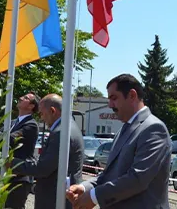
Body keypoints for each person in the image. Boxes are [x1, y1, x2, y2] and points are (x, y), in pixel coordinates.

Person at [66, 74, 171, 209]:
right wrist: (84, 187)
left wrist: (94, 196)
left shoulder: (153, 128)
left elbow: (138, 178)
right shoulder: (124, 129)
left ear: (132, 95)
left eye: (114, 98)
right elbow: (109, 174)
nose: (110, 105)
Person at [11, 94, 84, 209]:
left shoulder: (61, 132)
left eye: (42, 113)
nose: (41, 118)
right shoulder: (68, 127)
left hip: (54, 198)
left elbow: (43, 168)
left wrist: (11, 162)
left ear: (52, 111)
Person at [0, 92, 40, 209]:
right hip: (7, 173)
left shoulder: (31, 125)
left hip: (20, 175)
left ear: (32, 106)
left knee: (13, 206)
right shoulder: (12, 123)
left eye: (25, 98)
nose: (20, 97)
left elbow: (10, 140)